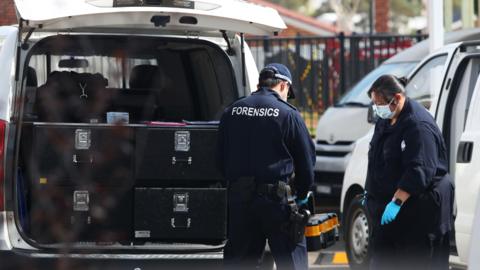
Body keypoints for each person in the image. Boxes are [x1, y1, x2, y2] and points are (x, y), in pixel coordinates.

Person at [217, 63, 315, 270]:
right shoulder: (288, 114)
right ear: (283, 85)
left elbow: (219, 158)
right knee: (291, 262)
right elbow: (306, 162)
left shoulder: (232, 111)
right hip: (277, 203)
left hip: (240, 201)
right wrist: (303, 193)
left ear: (258, 84)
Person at [365, 75, 454, 270]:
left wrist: (396, 203)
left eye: (379, 103)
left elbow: (419, 170)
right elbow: (376, 157)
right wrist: (369, 191)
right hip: (391, 217)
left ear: (396, 98)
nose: (376, 108)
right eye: (374, 104)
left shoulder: (418, 126)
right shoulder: (386, 120)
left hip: (420, 214)